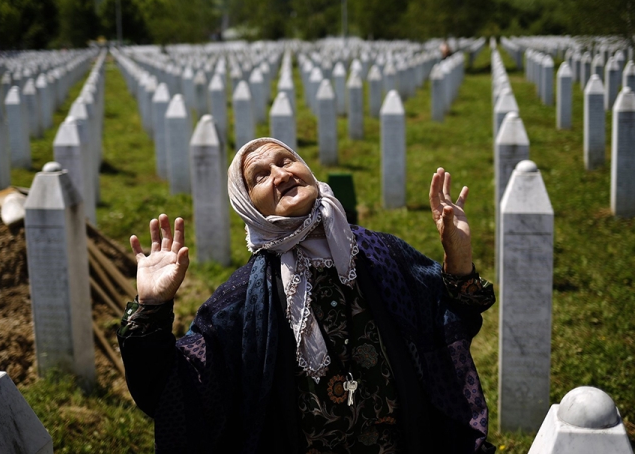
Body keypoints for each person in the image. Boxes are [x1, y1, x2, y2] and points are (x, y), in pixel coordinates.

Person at [118, 137, 496, 453]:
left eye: (287, 161)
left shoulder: (381, 255)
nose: (281, 175)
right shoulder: (243, 300)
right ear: (249, 205)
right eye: (261, 176)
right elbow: (176, 390)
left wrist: (457, 255)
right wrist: (151, 308)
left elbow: (447, 327)